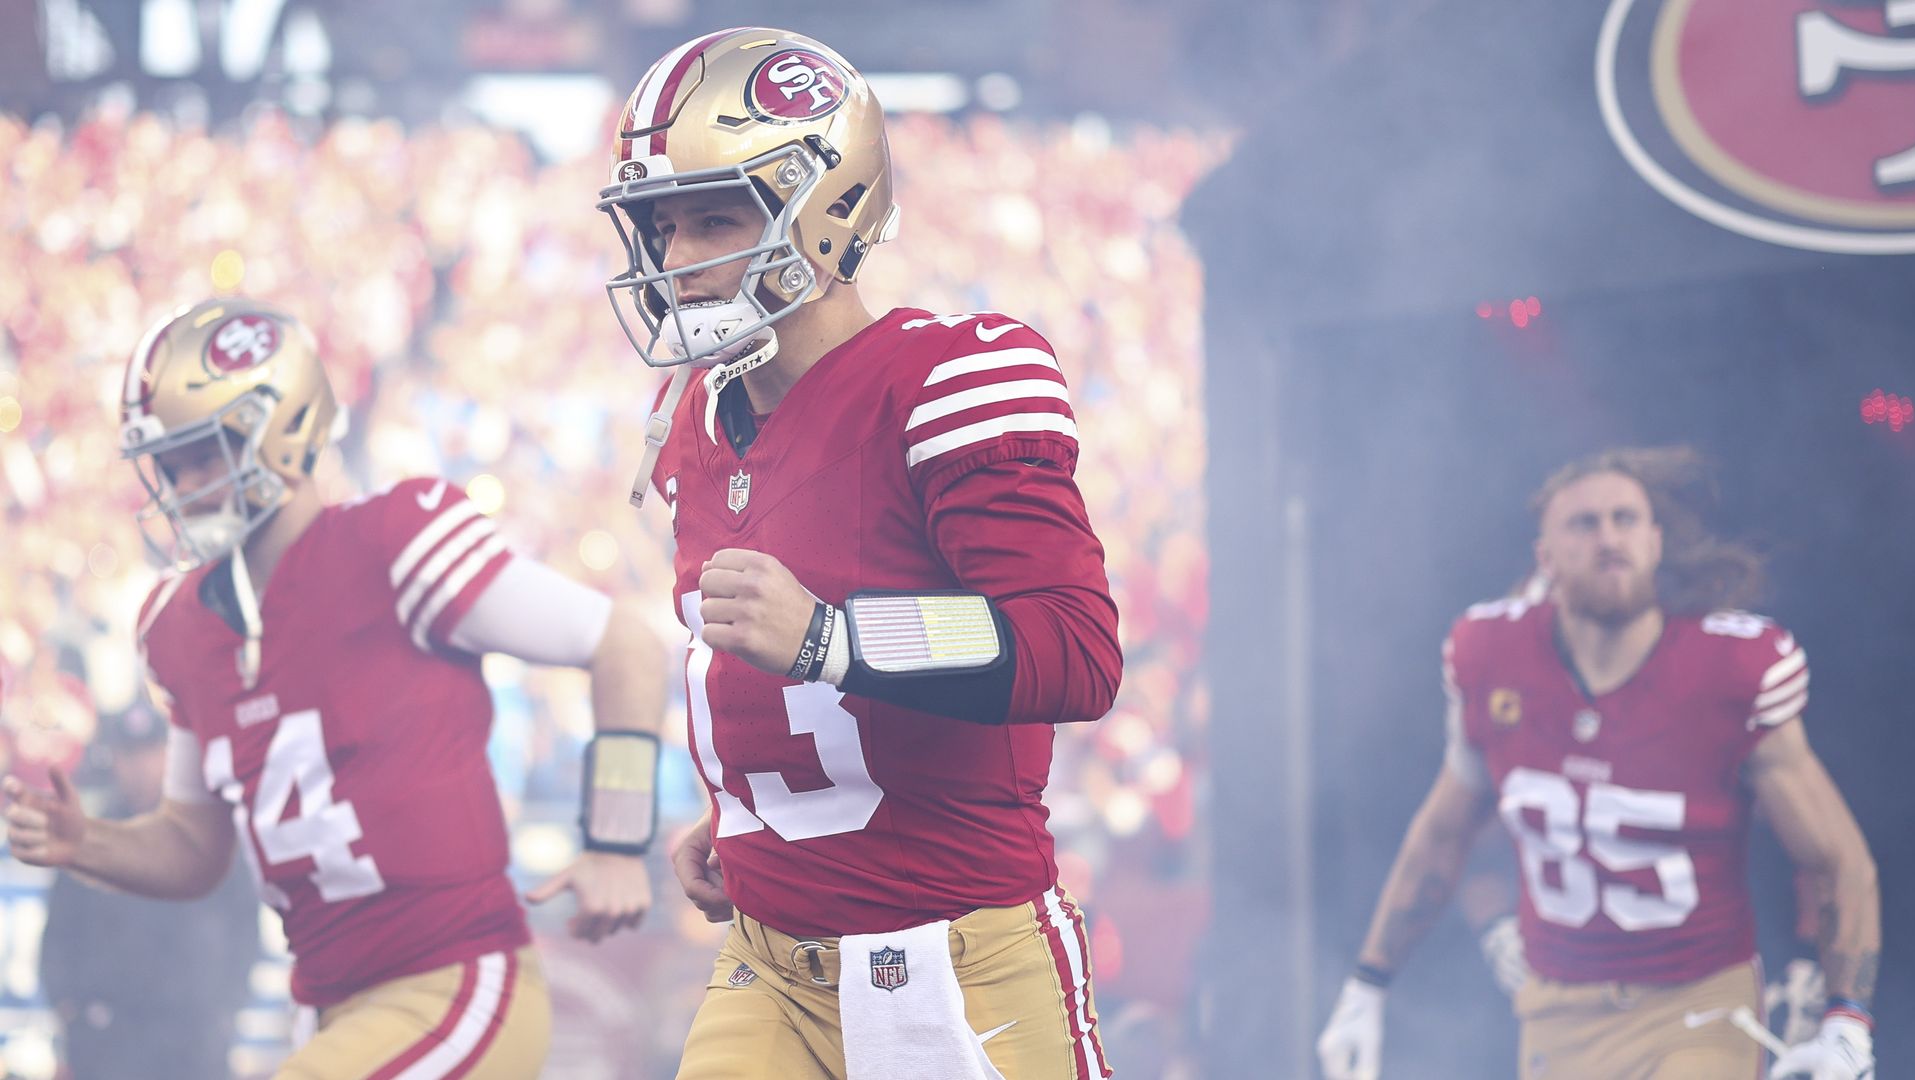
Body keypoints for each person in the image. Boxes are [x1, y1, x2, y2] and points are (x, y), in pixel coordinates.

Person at [595, 27, 1123, 1080]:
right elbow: (757, 670)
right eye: (662, 226)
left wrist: (836, 637)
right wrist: (745, 813)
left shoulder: (948, 379)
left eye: (716, 217)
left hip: (957, 959)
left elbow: (1073, 651)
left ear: (828, 208)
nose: (679, 260)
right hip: (767, 964)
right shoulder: (695, 413)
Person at [4, 298, 663, 1079]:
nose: (183, 484)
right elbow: (193, 845)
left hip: (453, 983)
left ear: (278, 430)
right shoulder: (179, 626)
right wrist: (90, 845)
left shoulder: (395, 542)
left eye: (203, 453)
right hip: (324, 1006)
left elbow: (623, 642)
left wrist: (616, 838)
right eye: (170, 465)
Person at [1315, 447, 1880, 1080]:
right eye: (1584, 524)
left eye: (1626, 519)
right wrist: (1367, 984)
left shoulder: (1728, 670)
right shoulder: (1492, 656)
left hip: (1694, 1011)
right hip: (1557, 1016)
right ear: (1545, 557)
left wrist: (1847, 1020)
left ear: (1656, 541)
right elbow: (1442, 837)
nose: (1609, 538)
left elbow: (1837, 860)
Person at [40, 705, 258, 1080]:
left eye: (151, 752)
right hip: (108, 1039)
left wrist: (225, 1008)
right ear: (115, 761)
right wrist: (74, 1015)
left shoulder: (208, 832)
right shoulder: (89, 835)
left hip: (193, 1038)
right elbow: (59, 936)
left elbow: (244, 926)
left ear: (171, 756)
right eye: (129, 755)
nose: (141, 766)